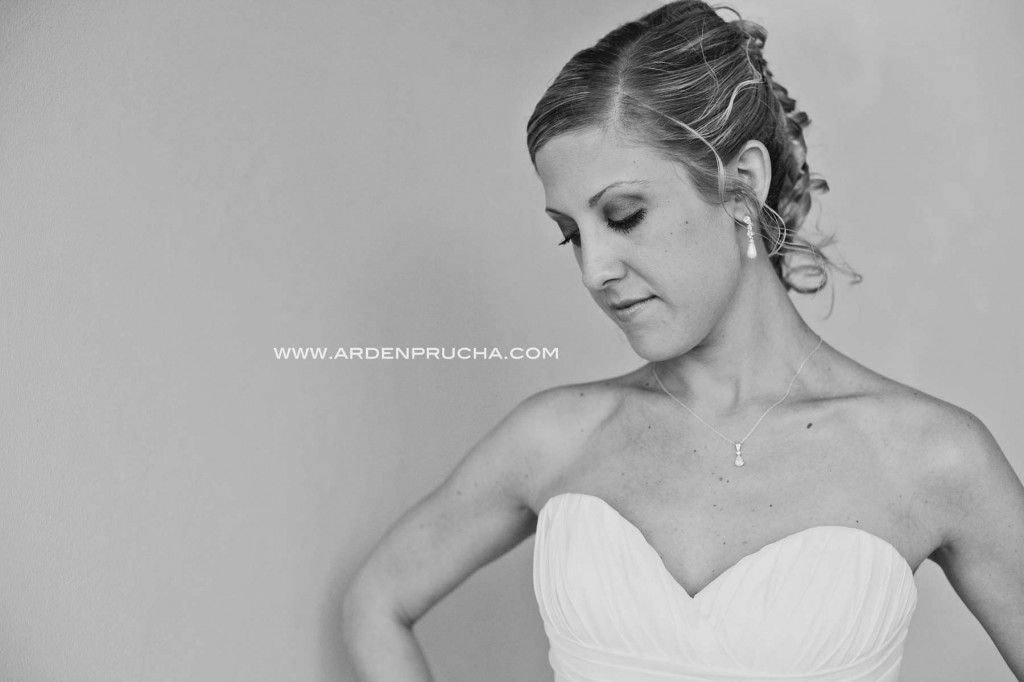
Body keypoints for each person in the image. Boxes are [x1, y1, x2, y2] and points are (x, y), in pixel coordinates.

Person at [341, 2, 1024, 680]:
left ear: (743, 185)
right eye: (571, 233)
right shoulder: (555, 438)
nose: (593, 269)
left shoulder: (930, 455)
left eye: (624, 216)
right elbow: (377, 602)